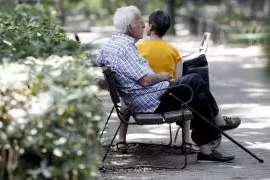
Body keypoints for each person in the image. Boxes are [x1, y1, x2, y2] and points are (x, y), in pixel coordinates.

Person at [97, 5, 234, 162]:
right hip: (152, 100)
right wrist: (162, 77)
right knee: (195, 78)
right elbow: (145, 80)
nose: (143, 25)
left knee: (200, 97)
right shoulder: (125, 49)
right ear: (130, 27)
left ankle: (205, 150)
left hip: (146, 97)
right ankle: (218, 123)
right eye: (140, 22)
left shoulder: (113, 45)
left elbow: (99, 58)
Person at [137, 10, 241, 133]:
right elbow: (178, 77)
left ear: (151, 26)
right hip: (169, 97)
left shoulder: (138, 49)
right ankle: (215, 124)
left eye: (147, 24)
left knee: (198, 90)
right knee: (197, 84)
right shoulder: (172, 50)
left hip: (145, 96)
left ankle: (211, 134)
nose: (145, 26)